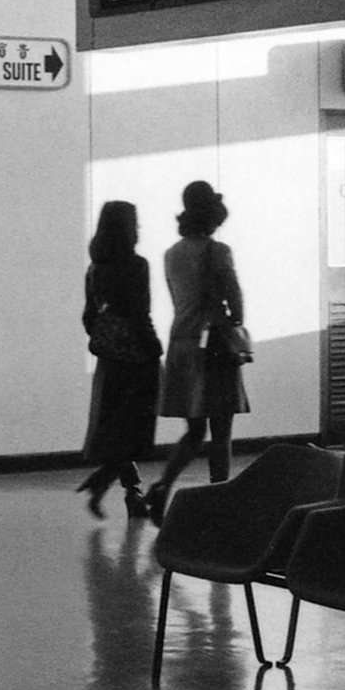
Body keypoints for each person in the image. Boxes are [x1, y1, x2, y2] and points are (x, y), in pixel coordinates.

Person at [144, 179, 247, 519]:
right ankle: (220, 496)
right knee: (221, 431)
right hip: (213, 346)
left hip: (181, 343)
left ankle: (163, 485)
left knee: (194, 429)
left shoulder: (171, 254)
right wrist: (235, 323)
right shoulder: (218, 251)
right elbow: (234, 299)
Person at [76, 200, 160, 517]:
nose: (139, 229)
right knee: (136, 428)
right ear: (127, 229)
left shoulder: (94, 270)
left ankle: (129, 490)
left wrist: (107, 337)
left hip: (110, 361)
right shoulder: (137, 266)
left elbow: (88, 317)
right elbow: (141, 315)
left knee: (118, 427)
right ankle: (114, 484)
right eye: (135, 224)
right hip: (138, 358)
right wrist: (154, 350)